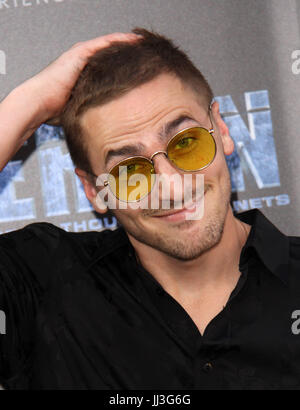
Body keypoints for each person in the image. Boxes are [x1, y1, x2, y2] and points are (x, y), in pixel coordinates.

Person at [0, 27, 299, 391]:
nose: (171, 187)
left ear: (221, 130)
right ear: (95, 190)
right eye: (131, 172)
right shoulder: (46, 284)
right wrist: (26, 103)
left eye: (187, 143)